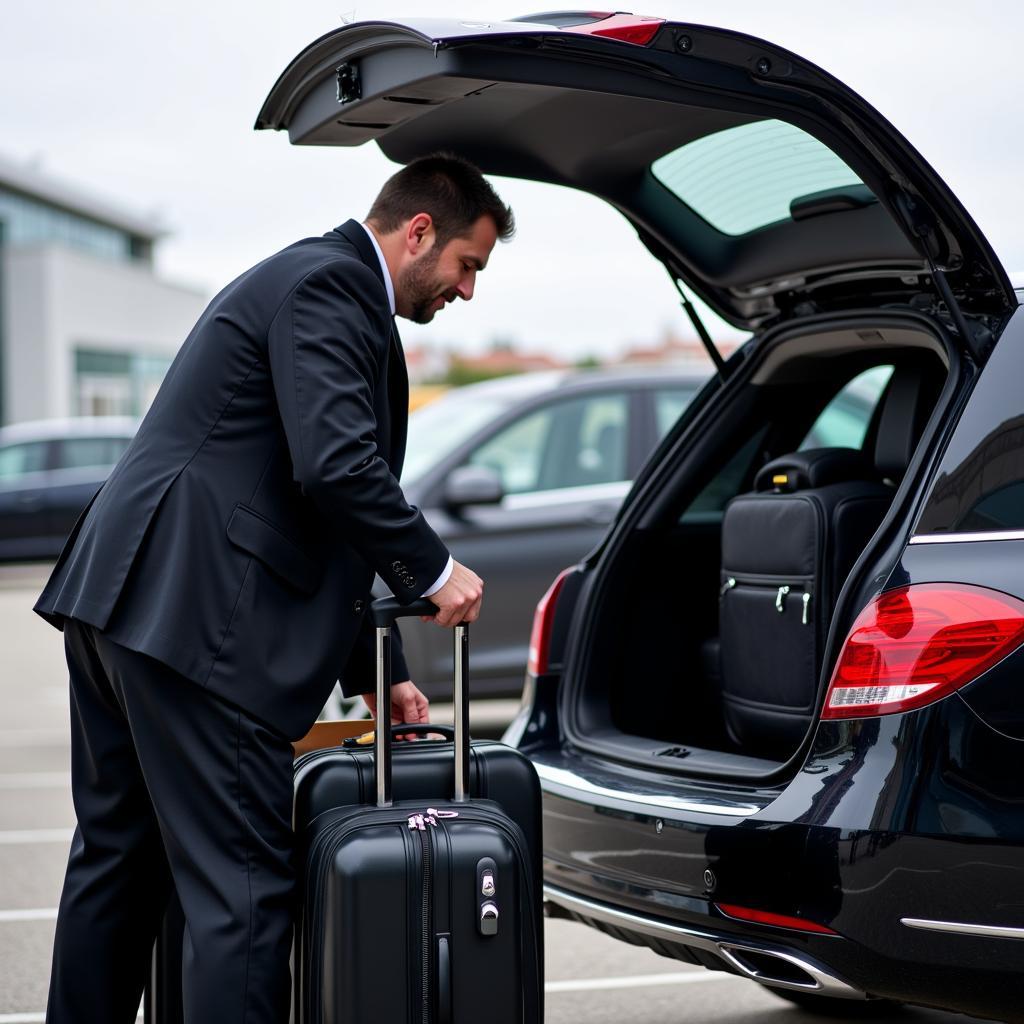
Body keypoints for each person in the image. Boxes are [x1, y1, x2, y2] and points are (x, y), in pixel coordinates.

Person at [34, 152, 515, 1024]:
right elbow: (335, 468)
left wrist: (380, 673)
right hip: (197, 625)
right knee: (244, 897)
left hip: (124, 605)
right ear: (418, 232)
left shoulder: (302, 277)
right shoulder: (334, 286)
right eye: (466, 264)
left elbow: (307, 504)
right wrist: (435, 570)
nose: (467, 291)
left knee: (117, 864)